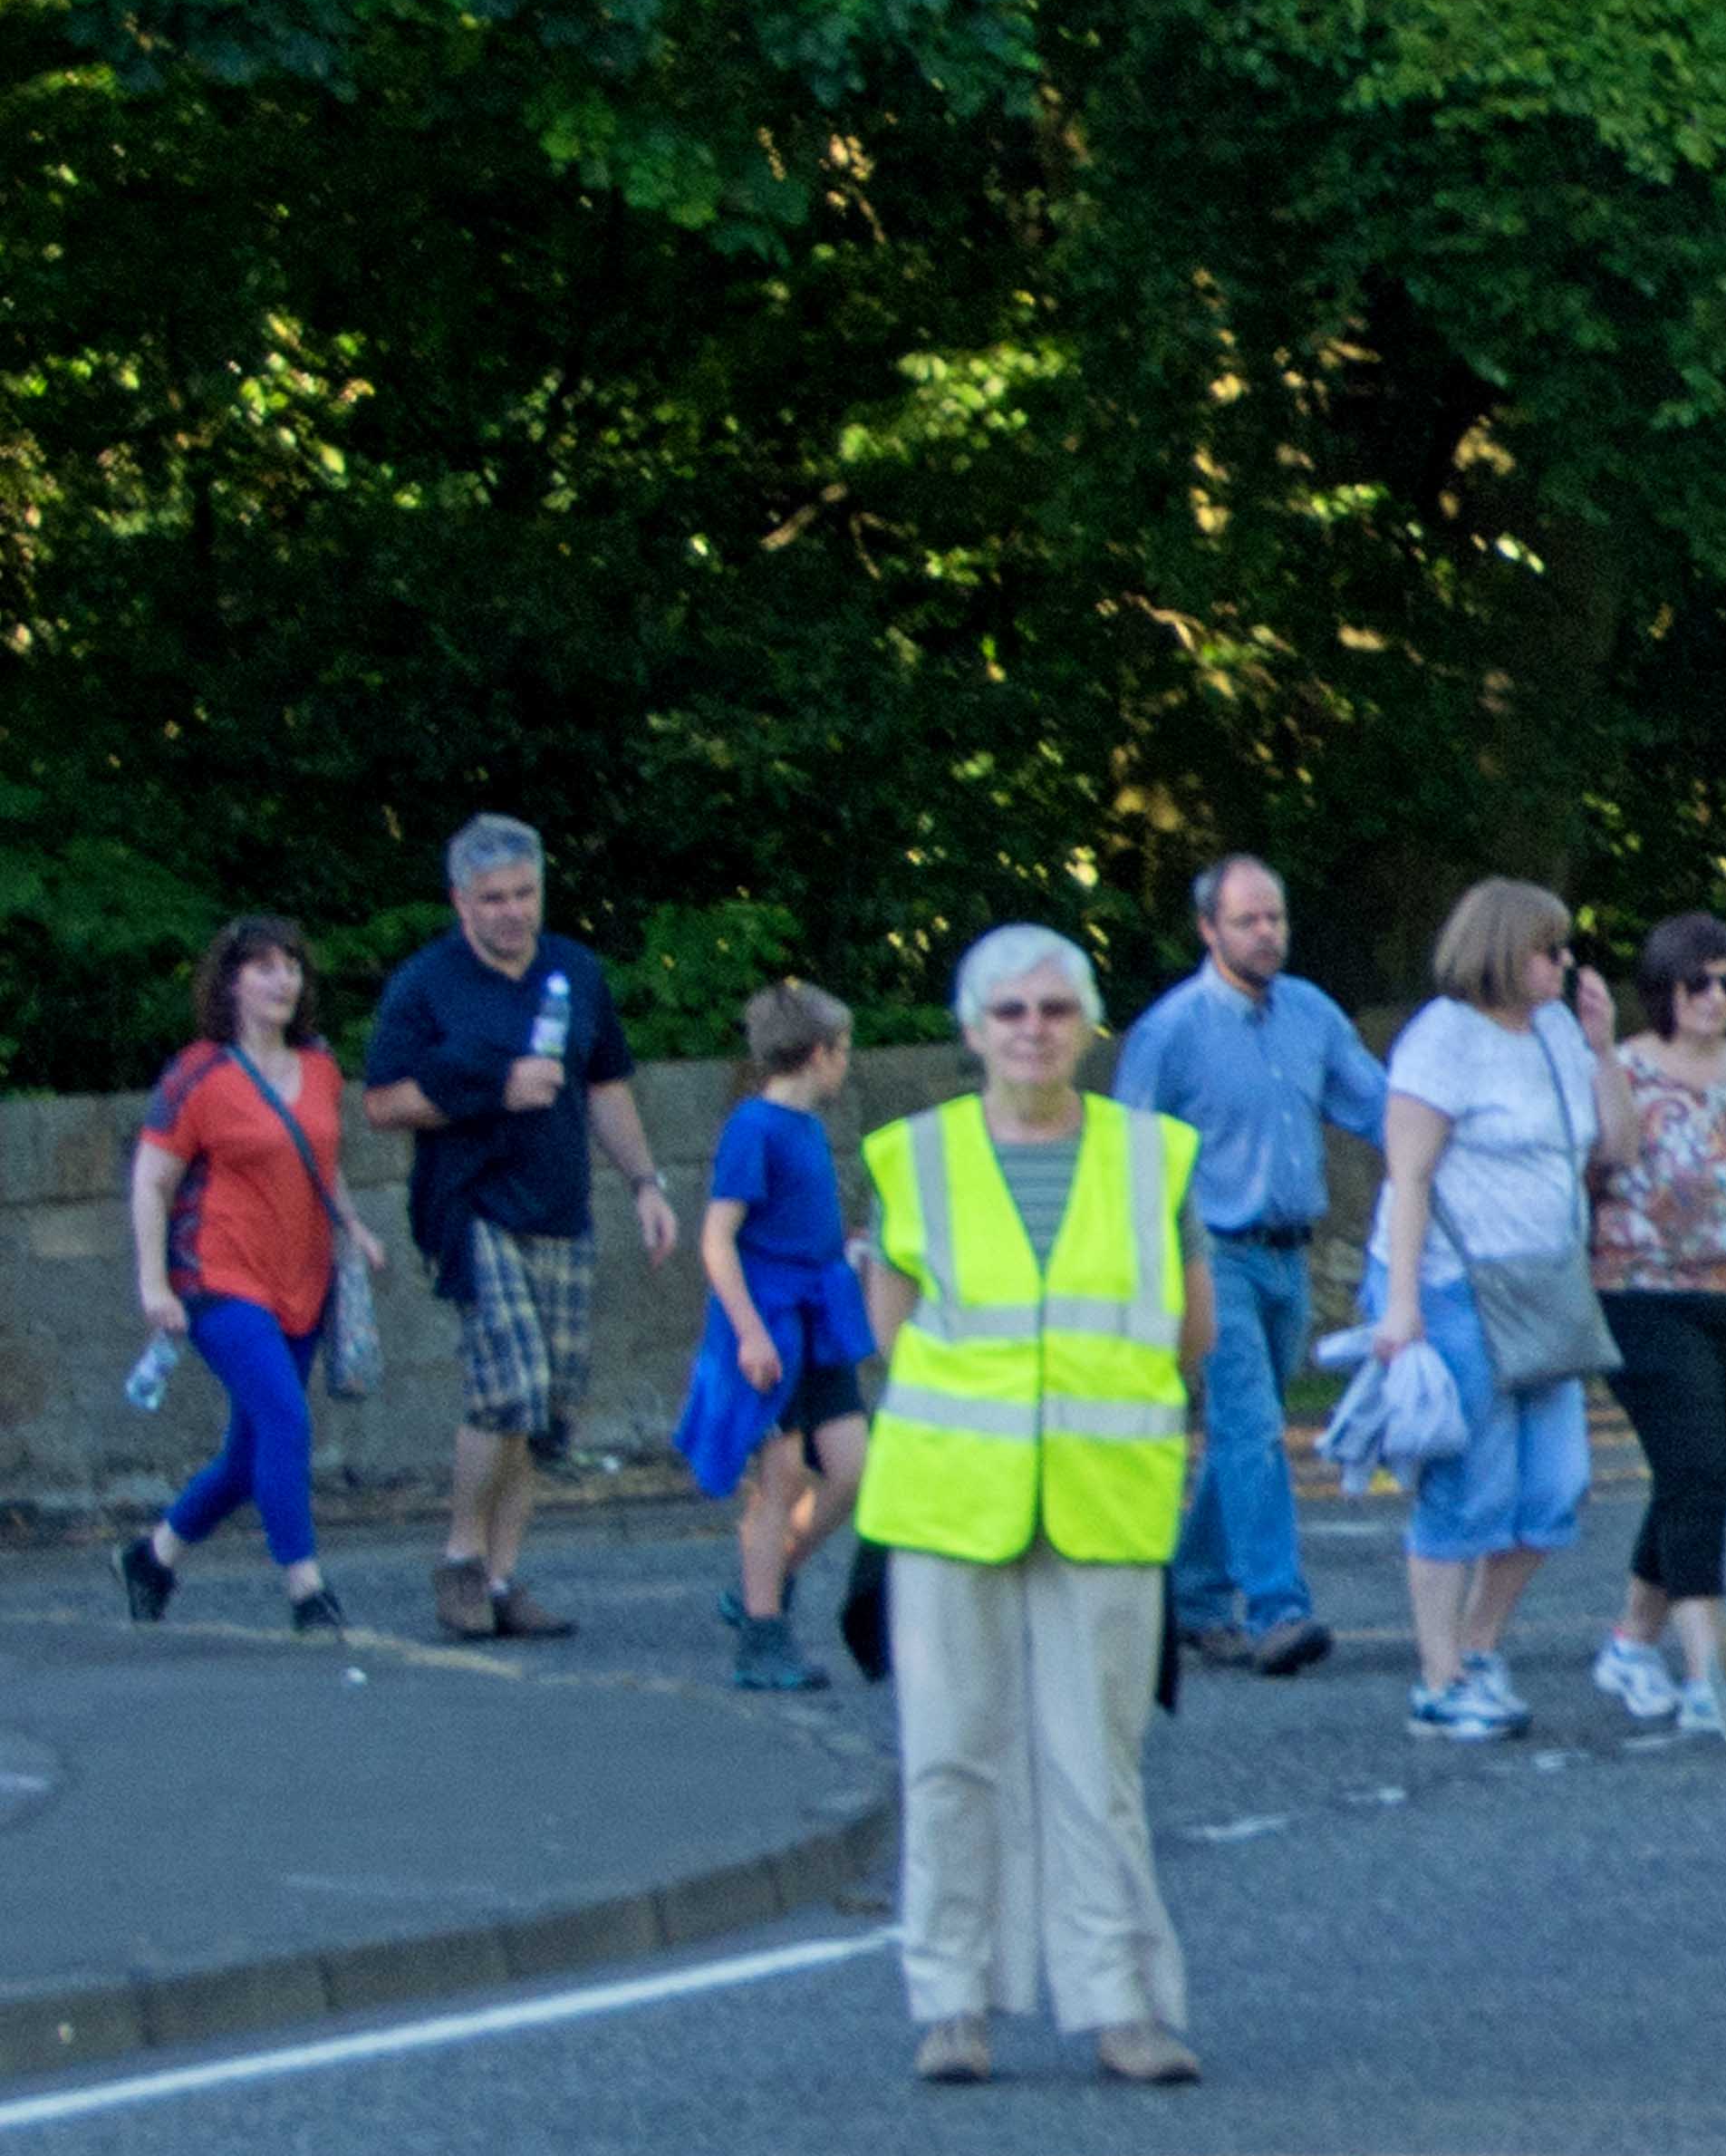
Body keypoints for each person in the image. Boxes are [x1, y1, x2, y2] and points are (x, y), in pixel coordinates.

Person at [862, 925, 1210, 2086]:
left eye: (1055, 1009)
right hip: (950, 1497)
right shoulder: (913, 1156)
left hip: (1102, 1494)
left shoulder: (1154, 1155)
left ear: (1089, 1026)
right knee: (947, 1760)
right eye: (1009, 1011)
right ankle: (951, 2001)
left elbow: (1194, 1329)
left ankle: (1122, 2005)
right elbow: (888, 1328)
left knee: (1096, 1768)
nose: (1032, 1030)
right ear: (972, 1031)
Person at [362, 816, 679, 1643]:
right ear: (461, 902)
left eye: (524, 894)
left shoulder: (576, 970)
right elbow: (382, 1103)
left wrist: (645, 1183)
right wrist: (492, 1090)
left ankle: (502, 1581)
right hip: (469, 1206)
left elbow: (606, 1086)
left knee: (544, 1410)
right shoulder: (427, 984)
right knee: (507, 1387)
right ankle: (461, 1560)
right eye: (493, 898)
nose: (512, 912)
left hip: (560, 1207)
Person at [1369, 878, 1640, 1744]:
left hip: (1545, 1286)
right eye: (1547, 949)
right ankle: (1440, 1678)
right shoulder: (1442, 1039)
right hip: (1453, 1286)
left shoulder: (1558, 1031)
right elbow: (1408, 1175)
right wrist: (1401, 1308)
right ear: (1500, 951)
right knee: (1469, 1488)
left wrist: (1603, 1048)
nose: (1565, 963)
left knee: (1556, 1487)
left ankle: (1479, 1644)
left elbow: (1618, 1148)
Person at [1111, 854, 1388, 1681]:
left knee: (1241, 1436)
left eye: (1275, 918)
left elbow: (1380, 1107)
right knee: (1253, 1425)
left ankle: (1194, 1599)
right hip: (1212, 1258)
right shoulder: (1170, 1032)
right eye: (1247, 921)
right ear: (1208, 930)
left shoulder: (1312, 1013)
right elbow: (1125, 1159)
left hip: (1288, 1259)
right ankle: (1277, 1610)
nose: (1267, 933)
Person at [120, 917, 385, 1636]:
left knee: (248, 1457)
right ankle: (306, 1589)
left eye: (291, 965)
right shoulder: (198, 1074)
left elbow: (322, 1165)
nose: (283, 979)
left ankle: (152, 1558)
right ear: (231, 983)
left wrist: (353, 1226)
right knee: (286, 1421)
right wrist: (154, 1285)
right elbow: (150, 1182)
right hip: (219, 1280)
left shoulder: (320, 1068)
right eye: (264, 967)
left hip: (303, 1281)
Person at [1583, 913, 1726, 1752]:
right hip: (1641, 1290)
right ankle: (1710, 1669)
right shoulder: (1620, 1069)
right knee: (1696, 1464)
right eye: (1697, 981)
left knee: (1702, 1473)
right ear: (1662, 986)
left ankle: (1632, 1640)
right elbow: (1591, 1168)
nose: (1715, 997)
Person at [697, 981, 875, 1690]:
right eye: (844, 1050)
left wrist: (848, 1248)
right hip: (770, 1327)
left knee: (852, 1468)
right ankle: (762, 1638)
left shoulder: (805, 1126)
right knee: (782, 1479)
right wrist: (749, 1336)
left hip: (817, 1321)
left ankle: (756, 1590)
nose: (847, 1064)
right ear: (817, 1054)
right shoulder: (755, 1128)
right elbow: (718, 1239)